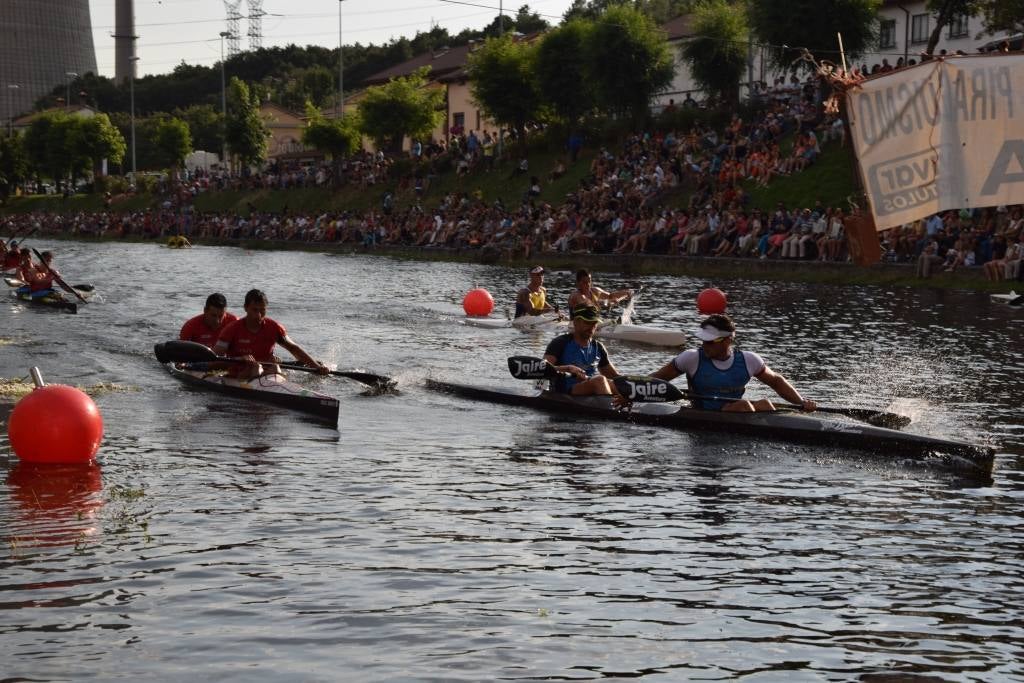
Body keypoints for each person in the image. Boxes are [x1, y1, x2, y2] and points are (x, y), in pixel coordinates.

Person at [647, 314, 817, 413]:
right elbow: (656, 379)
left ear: (727, 340)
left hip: (736, 412)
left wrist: (802, 403)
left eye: (710, 341)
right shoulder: (691, 358)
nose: (705, 345)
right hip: (703, 416)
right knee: (744, 406)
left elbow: (776, 382)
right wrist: (632, 393)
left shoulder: (749, 360)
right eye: (703, 340)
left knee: (766, 404)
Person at [213, 289, 329, 380]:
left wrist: (317, 367)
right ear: (245, 308)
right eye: (255, 310)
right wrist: (240, 359)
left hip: (266, 370)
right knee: (256, 367)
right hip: (240, 372)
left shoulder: (274, 327)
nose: (259, 315)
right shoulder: (231, 329)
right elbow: (215, 359)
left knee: (275, 367)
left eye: (262, 310)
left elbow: (294, 349)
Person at [543, 305, 623, 397]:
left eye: (594, 323)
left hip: (589, 390)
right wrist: (567, 368)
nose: (592, 327)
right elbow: (542, 370)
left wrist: (631, 382)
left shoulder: (598, 347)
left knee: (616, 383)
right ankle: (610, 404)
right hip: (564, 393)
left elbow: (615, 376)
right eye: (587, 322)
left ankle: (619, 403)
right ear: (576, 322)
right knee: (600, 380)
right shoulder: (560, 343)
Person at [566, 269, 633, 312]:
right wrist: (607, 302)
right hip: (577, 324)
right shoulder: (575, 295)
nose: (588, 284)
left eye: (589, 281)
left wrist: (625, 293)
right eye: (585, 282)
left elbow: (610, 296)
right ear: (578, 283)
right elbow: (589, 305)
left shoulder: (594, 291)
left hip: (593, 322)